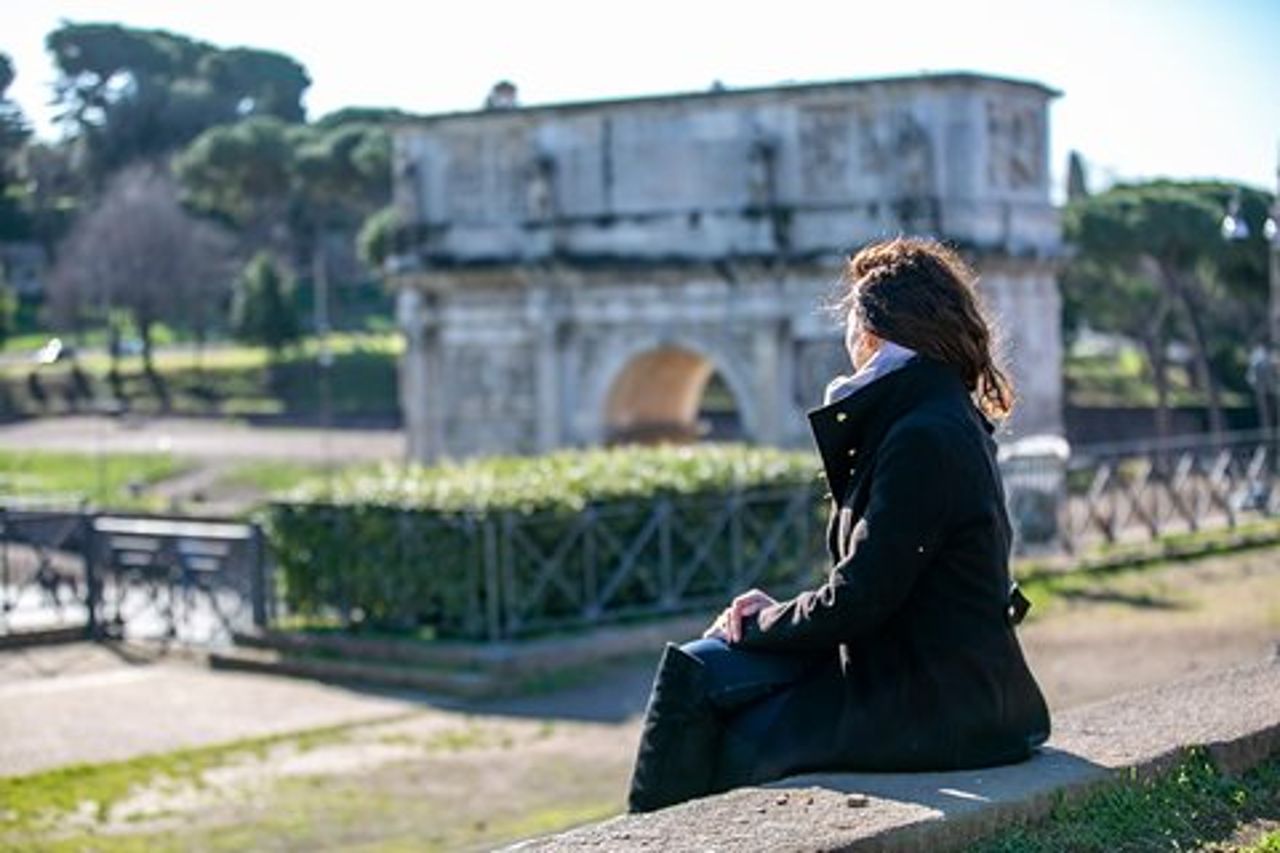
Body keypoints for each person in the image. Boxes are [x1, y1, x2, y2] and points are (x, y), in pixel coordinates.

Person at [626, 237, 1051, 814]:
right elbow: (881, 584)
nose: (846, 333)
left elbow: (863, 596)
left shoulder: (921, 433)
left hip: (932, 703)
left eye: (852, 316)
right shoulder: (933, 412)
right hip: (928, 678)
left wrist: (763, 622)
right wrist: (771, 619)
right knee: (696, 665)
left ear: (875, 330)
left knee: (722, 715)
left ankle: (648, 835)